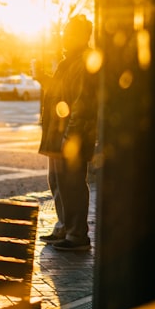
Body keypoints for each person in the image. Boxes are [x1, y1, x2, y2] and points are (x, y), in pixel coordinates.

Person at [34, 14, 99, 252]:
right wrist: (43, 78)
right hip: (58, 133)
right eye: (64, 32)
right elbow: (61, 93)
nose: (64, 36)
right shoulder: (68, 61)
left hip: (70, 135)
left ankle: (76, 234)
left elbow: (82, 103)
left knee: (72, 184)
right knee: (58, 182)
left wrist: (70, 135)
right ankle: (64, 226)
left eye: (69, 33)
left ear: (81, 36)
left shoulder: (84, 61)